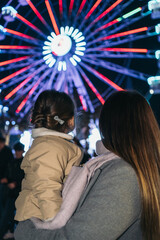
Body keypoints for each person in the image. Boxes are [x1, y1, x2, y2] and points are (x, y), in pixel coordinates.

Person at [14, 90, 160, 240]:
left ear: (106, 125)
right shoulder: (115, 167)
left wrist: (24, 230)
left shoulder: (123, 174)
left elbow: (76, 236)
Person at [15, 90, 83, 225]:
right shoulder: (49, 147)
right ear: (69, 120)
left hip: (40, 217)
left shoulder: (52, 144)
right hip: (40, 220)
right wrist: (57, 224)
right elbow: (47, 189)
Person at [0, 142, 25, 239]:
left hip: (19, 193)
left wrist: (15, 183)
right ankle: (10, 230)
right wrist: (7, 180)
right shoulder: (12, 162)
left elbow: (24, 178)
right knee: (8, 214)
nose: (18, 153)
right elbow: (9, 174)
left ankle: (14, 232)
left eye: (19, 151)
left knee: (17, 215)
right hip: (11, 193)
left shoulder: (24, 164)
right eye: (17, 151)